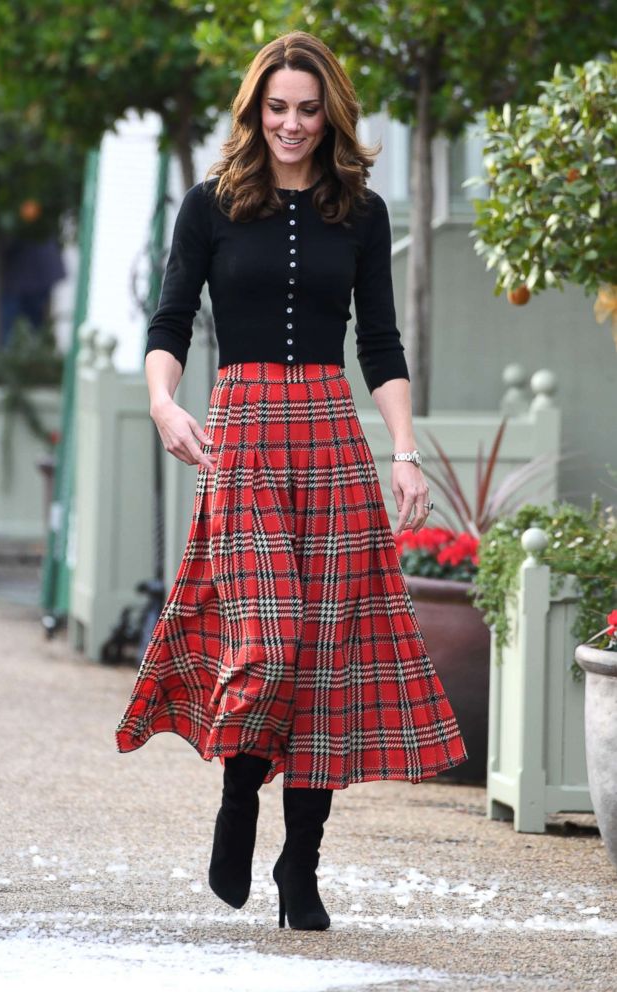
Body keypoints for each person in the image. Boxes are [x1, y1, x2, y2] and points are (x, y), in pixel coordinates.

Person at [115, 30, 468, 932]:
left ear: (330, 114)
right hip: (244, 444)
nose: (292, 124)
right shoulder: (210, 205)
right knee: (268, 644)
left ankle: (299, 866)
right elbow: (170, 319)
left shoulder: (362, 212)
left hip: (331, 445)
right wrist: (163, 405)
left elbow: (379, 345)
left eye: (308, 109)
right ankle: (239, 802)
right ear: (254, 111)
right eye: (277, 107)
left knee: (325, 665)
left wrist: (402, 450)